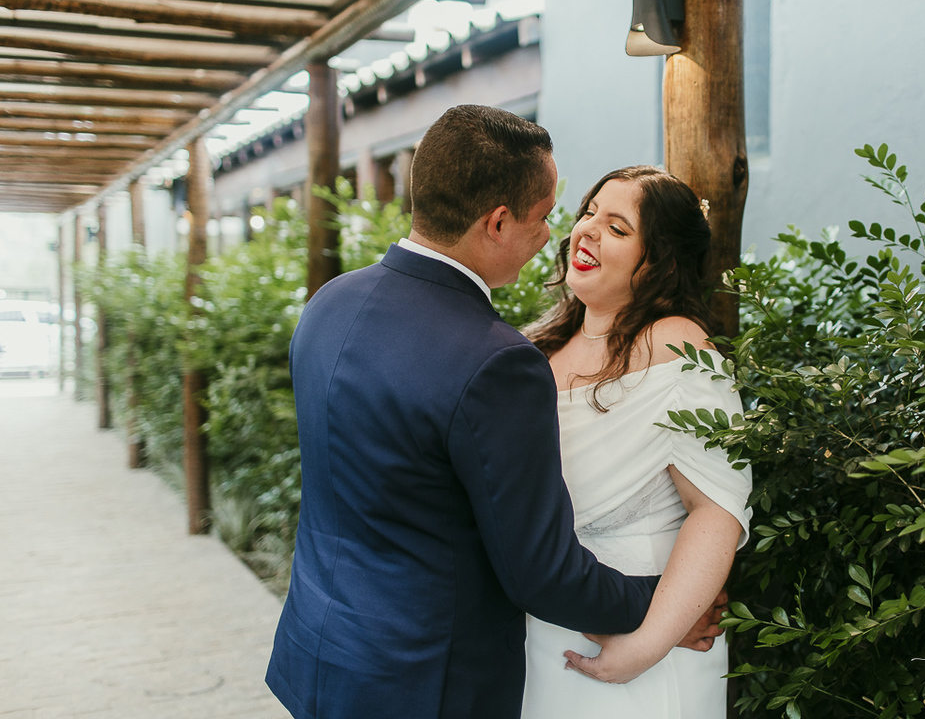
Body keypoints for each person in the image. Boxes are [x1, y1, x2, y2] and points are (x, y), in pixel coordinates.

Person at [265, 107, 717, 719]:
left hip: (318, 651)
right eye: (546, 216)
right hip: (424, 683)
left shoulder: (330, 303)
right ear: (498, 222)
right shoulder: (496, 362)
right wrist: (664, 607)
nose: (556, 233)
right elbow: (542, 574)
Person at [521, 166, 753, 718]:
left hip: (646, 638)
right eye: (589, 212)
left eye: (618, 227)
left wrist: (647, 644)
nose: (587, 230)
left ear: (659, 262)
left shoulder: (678, 346)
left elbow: (715, 510)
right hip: (538, 632)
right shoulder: (538, 350)